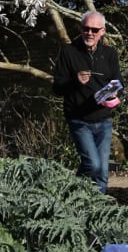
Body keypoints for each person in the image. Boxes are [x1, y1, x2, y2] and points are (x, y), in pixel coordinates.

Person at [52, 11, 122, 193]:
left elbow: (117, 81)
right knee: (93, 164)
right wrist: (74, 81)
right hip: (79, 119)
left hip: (103, 119)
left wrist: (114, 95)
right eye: (85, 29)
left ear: (102, 31)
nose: (89, 33)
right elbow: (57, 88)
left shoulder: (110, 54)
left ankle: (98, 212)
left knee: (102, 173)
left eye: (94, 29)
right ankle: (70, 192)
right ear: (80, 29)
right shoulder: (69, 52)